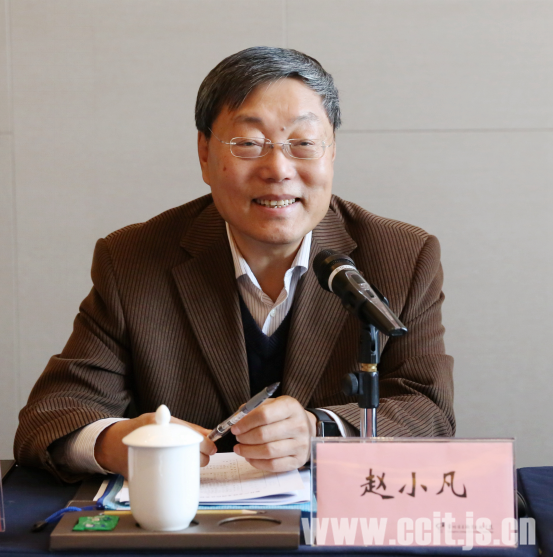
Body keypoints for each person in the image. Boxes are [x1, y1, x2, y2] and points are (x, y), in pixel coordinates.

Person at [14, 47, 455, 483]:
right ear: (205, 154)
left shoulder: (401, 255)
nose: (278, 169)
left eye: (303, 144)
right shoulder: (134, 258)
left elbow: (430, 411)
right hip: (182, 520)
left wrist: (320, 431)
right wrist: (117, 442)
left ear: (332, 152)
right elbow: (51, 416)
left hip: (333, 518)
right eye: (248, 144)